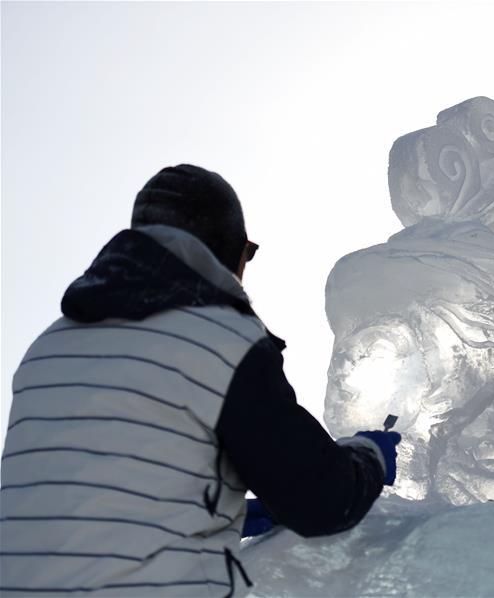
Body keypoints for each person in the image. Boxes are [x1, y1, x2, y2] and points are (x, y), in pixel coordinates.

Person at [0, 164, 401, 596]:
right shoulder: (219, 338)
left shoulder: (51, 344)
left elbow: (72, 487)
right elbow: (322, 501)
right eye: (247, 253)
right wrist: (367, 455)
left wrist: (217, 512)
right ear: (226, 247)